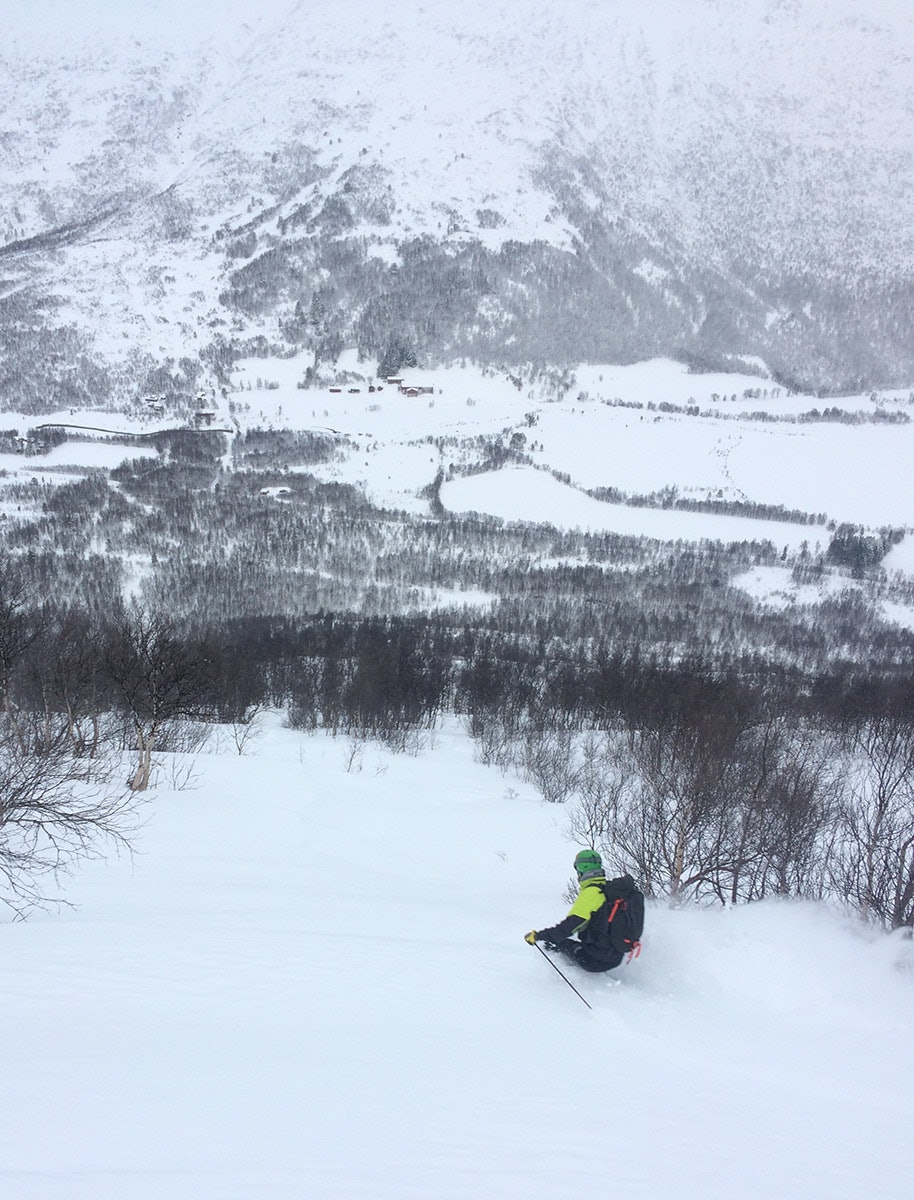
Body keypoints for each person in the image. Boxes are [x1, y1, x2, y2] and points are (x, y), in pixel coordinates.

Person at [524, 848, 625, 972]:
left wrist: (539, 936)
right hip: (616, 958)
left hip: (594, 961)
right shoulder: (609, 890)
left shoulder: (592, 893)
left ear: (581, 869)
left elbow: (567, 928)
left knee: (557, 944)